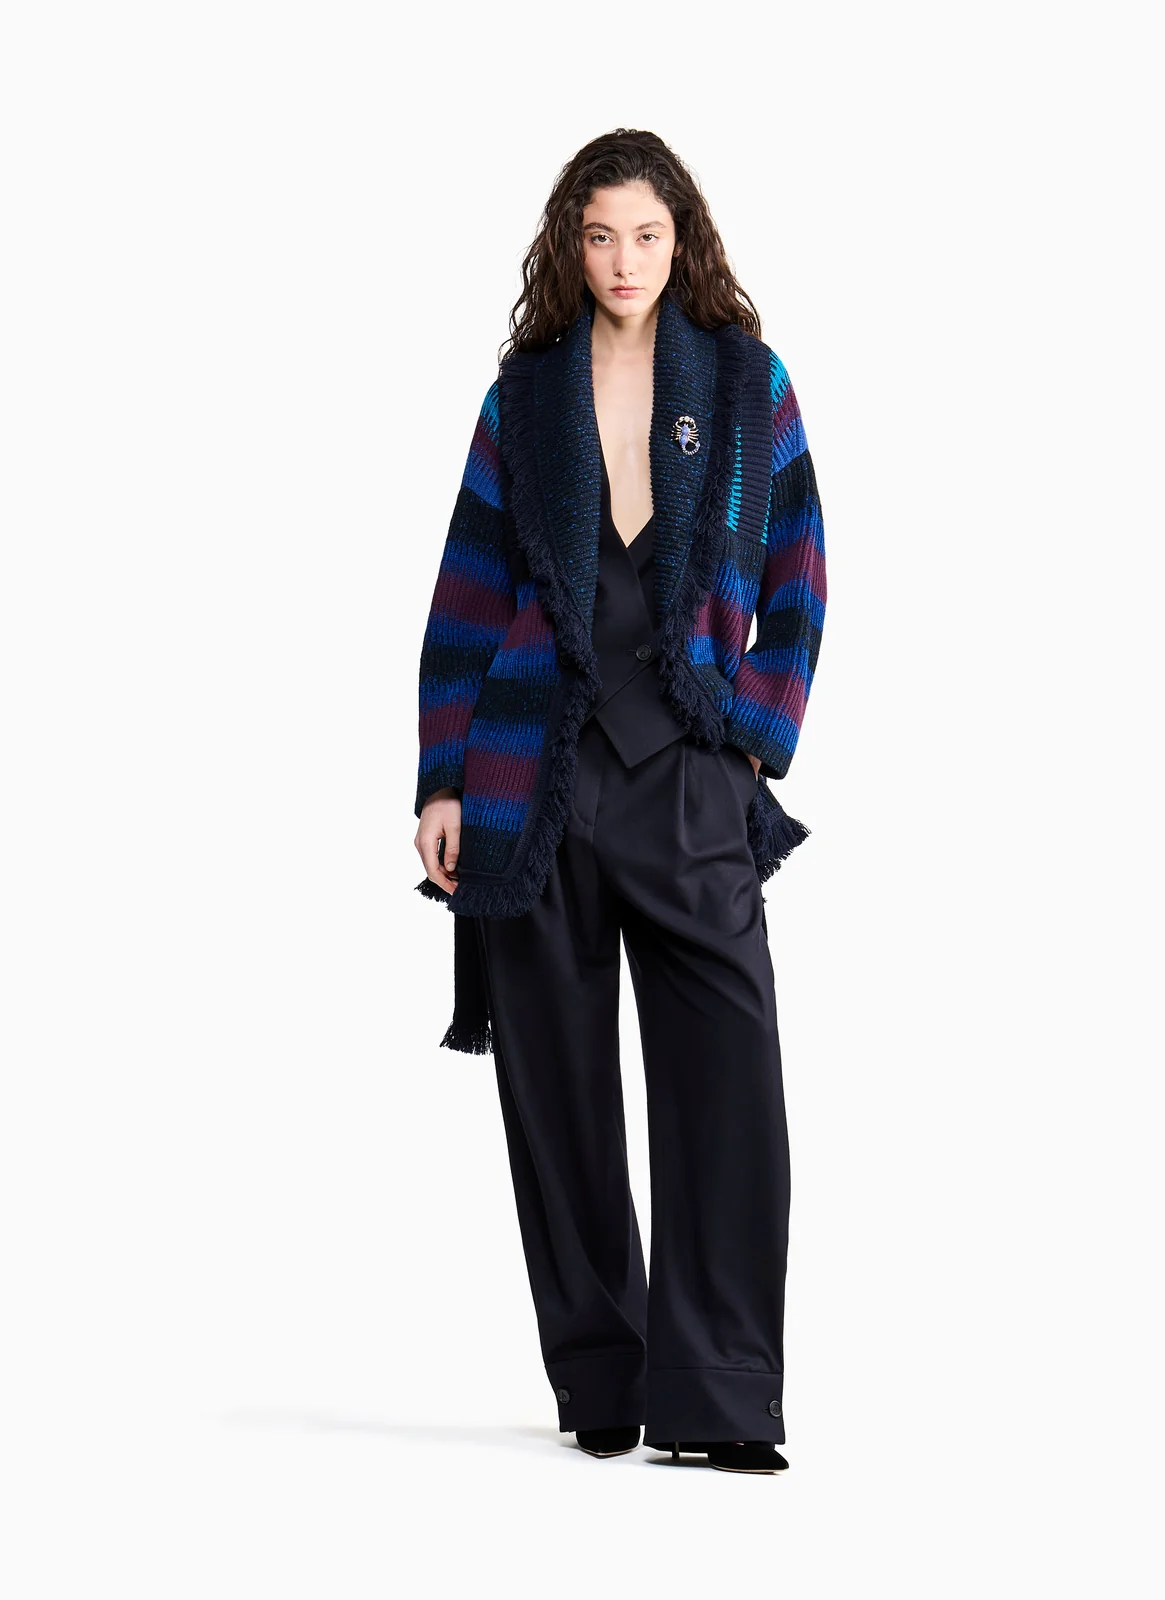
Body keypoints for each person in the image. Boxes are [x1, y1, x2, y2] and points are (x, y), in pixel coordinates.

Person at [412, 128, 827, 1474]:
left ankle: (724, 1394)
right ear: (569, 247)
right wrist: (443, 780)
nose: (624, 261)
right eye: (600, 238)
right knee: (558, 1090)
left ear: (681, 237)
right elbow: (469, 590)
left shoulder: (747, 382)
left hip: (692, 770)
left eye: (646, 235)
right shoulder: (522, 398)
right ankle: (601, 1373)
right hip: (532, 775)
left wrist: (752, 743)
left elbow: (801, 577)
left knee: (729, 1082)